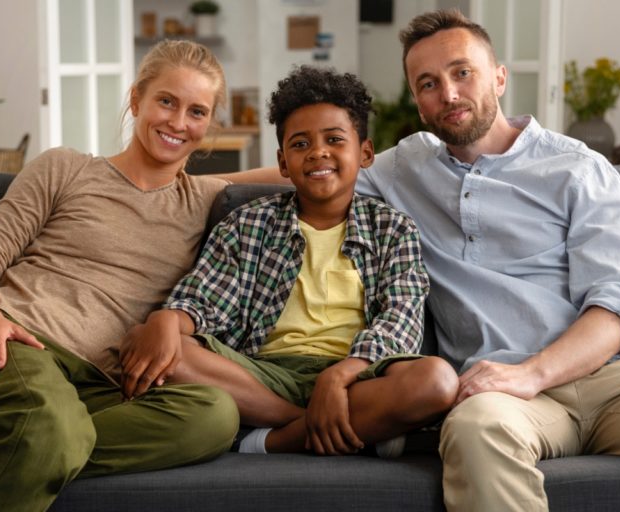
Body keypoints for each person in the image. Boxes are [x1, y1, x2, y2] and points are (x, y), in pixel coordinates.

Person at [350, 9, 620, 512]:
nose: (450, 93)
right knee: (474, 430)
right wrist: (198, 183)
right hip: (506, 400)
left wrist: (533, 372)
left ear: (499, 77)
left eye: (463, 72)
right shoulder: (404, 169)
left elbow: (615, 309)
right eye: (429, 83)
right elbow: (317, 169)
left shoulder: (578, 167)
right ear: (418, 104)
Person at [0, 40, 239, 511]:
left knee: (214, 415)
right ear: (136, 100)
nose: (178, 122)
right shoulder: (64, 167)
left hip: (93, 387)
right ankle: (39, 444)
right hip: (8, 347)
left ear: (208, 125)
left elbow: (310, 170)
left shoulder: (206, 199)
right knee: (48, 424)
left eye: (197, 111)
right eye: (166, 101)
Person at [121, 65, 458, 457]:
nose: (318, 152)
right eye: (300, 144)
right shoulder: (249, 223)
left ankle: (271, 440)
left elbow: (401, 322)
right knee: (152, 345)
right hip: (262, 376)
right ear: (283, 163)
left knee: (436, 381)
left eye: (334, 139)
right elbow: (205, 302)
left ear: (365, 153)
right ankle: (318, 422)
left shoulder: (393, 229)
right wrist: (168, 319)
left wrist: (337, 378)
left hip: (356, 375)